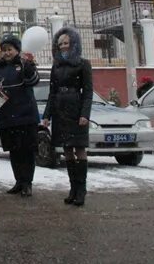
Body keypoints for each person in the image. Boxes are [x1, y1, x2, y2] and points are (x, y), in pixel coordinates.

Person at [42, 27, 93, 206]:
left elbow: (88, 92)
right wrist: (47, 115)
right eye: (60, 43)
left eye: (66, 43)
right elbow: (52, 92)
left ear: (73, 43)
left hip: (76, 109)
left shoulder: (83, 64)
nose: (63, 46)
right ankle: (72, 189)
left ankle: (81, 189)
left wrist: (84, 114)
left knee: (79, 149)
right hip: (60, 110)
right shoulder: (56, 66)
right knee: (66, 150)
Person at [0, 33, 39, 197]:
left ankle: (28, 183)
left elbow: (33, 81)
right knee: (14, 151)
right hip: (6, 117)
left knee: (27, 151)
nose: (6, 53)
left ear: (17, 50)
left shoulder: (24, 64)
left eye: (10, 49)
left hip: (25, 116)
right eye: (4, 50)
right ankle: (19, 181)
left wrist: (29, 67)